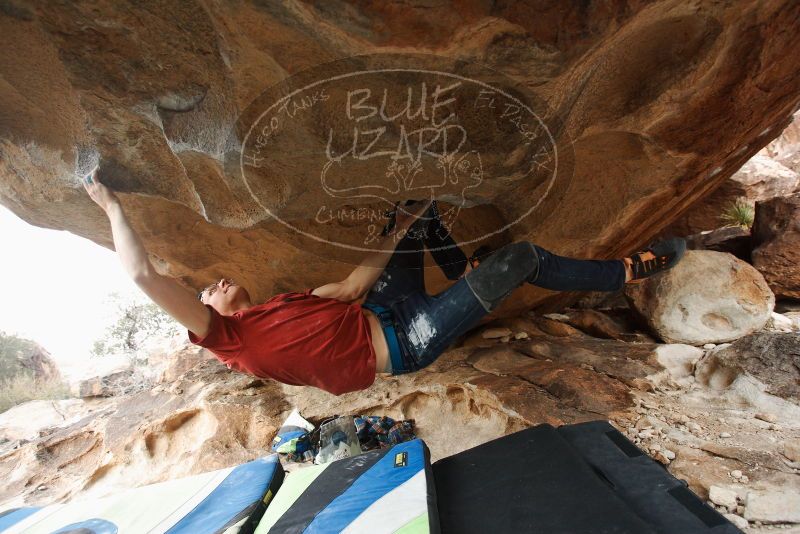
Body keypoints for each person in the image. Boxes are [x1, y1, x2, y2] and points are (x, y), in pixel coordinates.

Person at [82, 167, 685, 395]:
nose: (212, 283)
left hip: (386, 305)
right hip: (408, 340)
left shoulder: (287, 305)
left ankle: (461, 271)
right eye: (206, 291)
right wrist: (111, 207)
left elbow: (351, 286)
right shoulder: (229, 341)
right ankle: (627, 270)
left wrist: (398, 228)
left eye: (211, 285)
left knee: (412, 212)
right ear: (207, 316)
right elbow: (141, 272)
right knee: (522, 257)